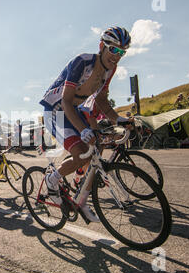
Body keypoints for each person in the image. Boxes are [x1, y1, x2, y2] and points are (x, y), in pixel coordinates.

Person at [40, 26, 133, 222]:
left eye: (122, 52)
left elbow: (101, 101)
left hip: (76, 109)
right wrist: (83, 130)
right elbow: (65, 101)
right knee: (81, 151)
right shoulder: (82, 62)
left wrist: (119, 119)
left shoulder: (110, 70)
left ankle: (82, 199)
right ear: (102, 46)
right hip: (56, 110)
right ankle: (52, 179)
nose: (117, 56)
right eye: (114, 49)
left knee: (95, 149)